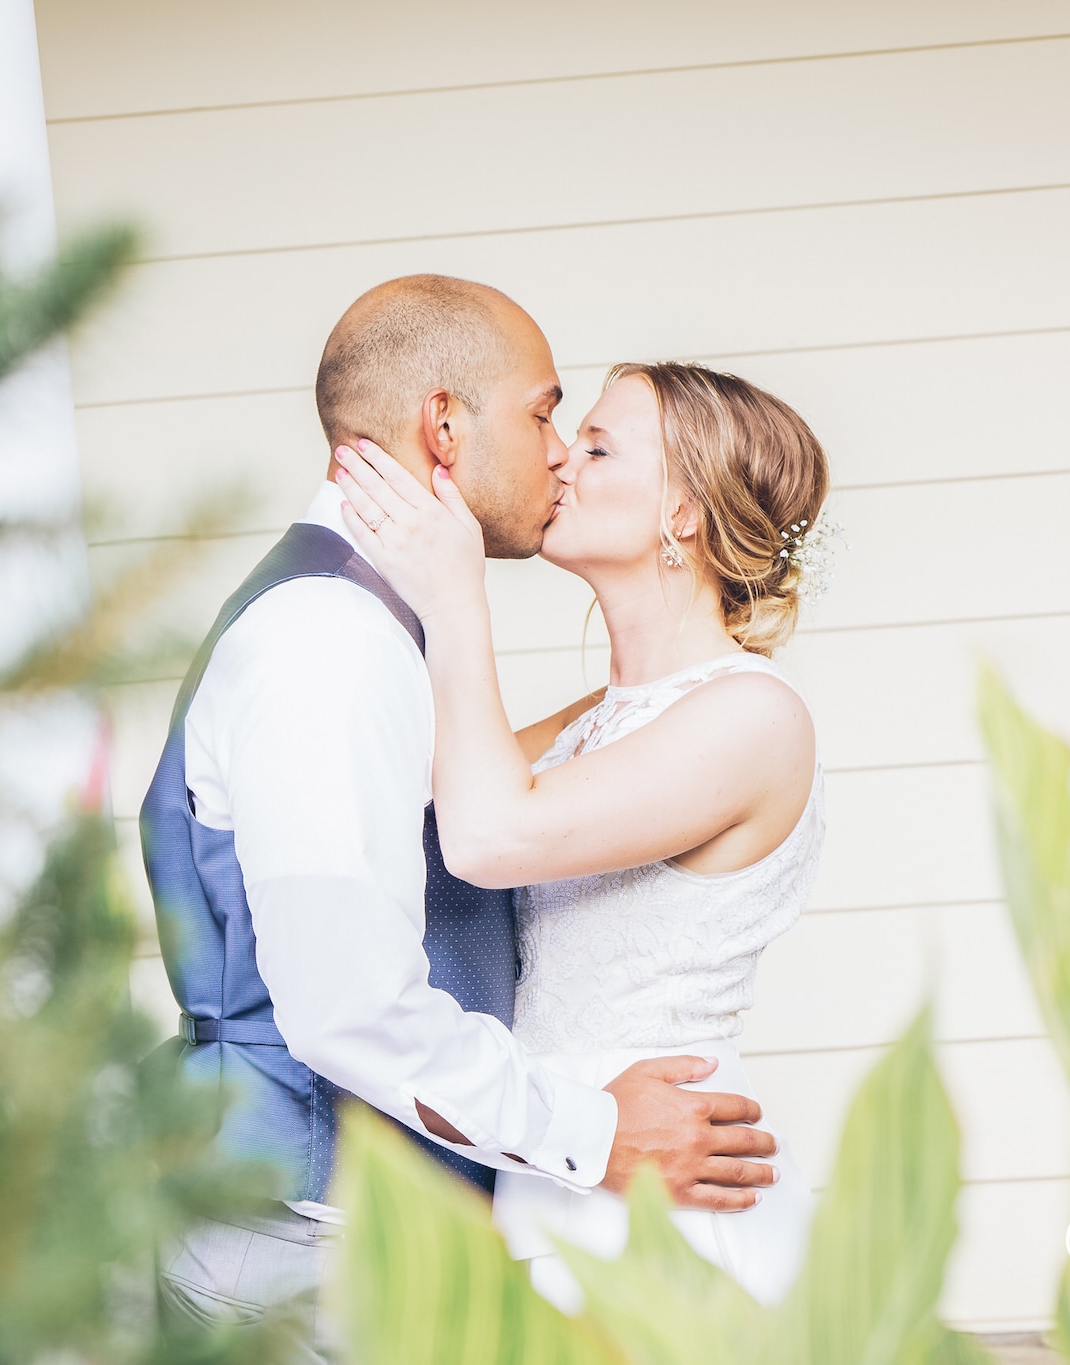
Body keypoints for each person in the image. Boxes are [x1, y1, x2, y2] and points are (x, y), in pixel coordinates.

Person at [140, 275, 778, 1358]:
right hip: (312, 1237)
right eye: (541, 415)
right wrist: (597, 1135)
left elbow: (476, 801)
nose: (557, 453)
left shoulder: (361, 626)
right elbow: (349, 1008)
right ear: (444, 425)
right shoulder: (324, 643)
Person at [332, 355, 829, 1309]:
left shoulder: (753, 715)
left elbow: (484, 837)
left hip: (664, 1179)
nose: (560, 462)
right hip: (566, 1145)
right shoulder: (599, 719)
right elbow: (417, 793)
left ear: (683, 511)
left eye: (598, 446)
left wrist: (454, 594)